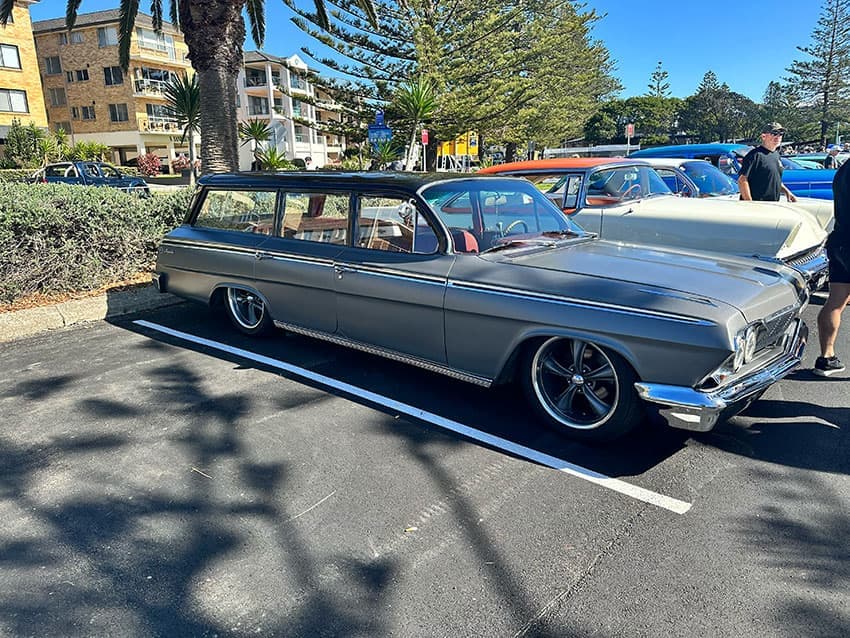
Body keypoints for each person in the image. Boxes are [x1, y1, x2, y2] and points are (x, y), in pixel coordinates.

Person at [815, 160, 850, 376]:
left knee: (836, 300)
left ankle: (826, 357)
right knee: (836, 301)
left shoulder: (843, 170)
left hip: (840, 240)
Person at [738, 122, 797, 203]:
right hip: (758, 206)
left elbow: (774, 180)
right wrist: (749, 203)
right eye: (774, 133)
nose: (778, 137)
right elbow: (742, 180)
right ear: (763, 136)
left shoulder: (776, 155)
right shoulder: (754, 155)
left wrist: (787, 192)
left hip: (773, 205)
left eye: (781, 134)